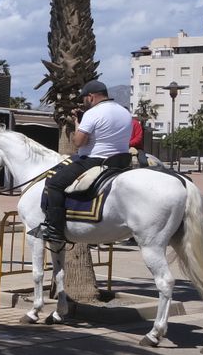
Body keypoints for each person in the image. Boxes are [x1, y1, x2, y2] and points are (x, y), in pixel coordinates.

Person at [40, 79, 133, 250]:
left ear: (91, 97)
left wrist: (78, 124)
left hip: (95, 160)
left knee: (54, 183)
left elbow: (78, 142)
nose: (83, 103)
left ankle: (55, 230)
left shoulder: (93, 113)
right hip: (121, 160)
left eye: (84, 99)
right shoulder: (125, 112)